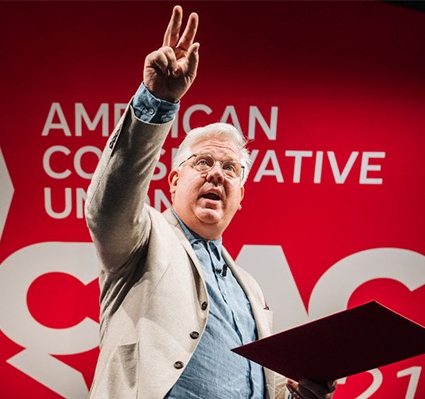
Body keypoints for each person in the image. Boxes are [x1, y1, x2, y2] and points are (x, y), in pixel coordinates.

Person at [85, 6, 337, 399]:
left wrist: (301, 394)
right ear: (173, 180)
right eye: (203, 162)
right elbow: (109, 202)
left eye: (230, 169)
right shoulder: (142, 241)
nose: (217, 174)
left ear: (240, 198)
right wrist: (157, 101)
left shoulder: (249, 289)